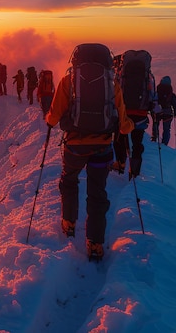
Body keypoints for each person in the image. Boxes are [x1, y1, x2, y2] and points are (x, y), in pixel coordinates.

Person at [46, 44, 133, 260]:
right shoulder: (112, 84)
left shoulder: (69, 81)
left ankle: (69, 223)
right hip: (102, 148)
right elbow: (123, 126)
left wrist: (49, 119)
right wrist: (131, 127)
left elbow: (54, 117)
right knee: (97, 191)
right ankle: (95, 243)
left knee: (69, 181)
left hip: (75, 147)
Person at [111, 51, 156, 179]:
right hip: (141, 113)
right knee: (137, 143)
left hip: (124, 113)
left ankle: (120, 164)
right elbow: (152, 95)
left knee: (120, 140)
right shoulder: (148, 77)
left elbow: (116, 92)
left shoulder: (121, 75)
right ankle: (134, 171)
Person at [152, 76, 176, 145]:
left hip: (157, 110)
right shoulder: (172, 94)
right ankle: (164, 143)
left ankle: (154, 138)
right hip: (167, 113)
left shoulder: (157, 92)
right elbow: (175, 104)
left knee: (156, 124)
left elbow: (153, 101)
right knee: (166, 129)